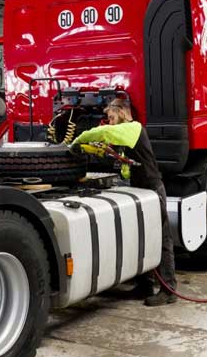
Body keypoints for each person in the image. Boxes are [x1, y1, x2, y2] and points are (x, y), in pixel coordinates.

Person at [71, 98, 177, 306]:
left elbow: (105, 133)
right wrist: (118, 159)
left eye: (111, 117)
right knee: (142, 238)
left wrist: (78, 141)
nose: (110, 122)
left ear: (121, 111)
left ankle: (169, 290)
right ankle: (144, 286)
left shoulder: (134, 128)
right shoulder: (129, 135)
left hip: (153, 190)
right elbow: (129, 168)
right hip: (141, 190)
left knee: (161, 239)